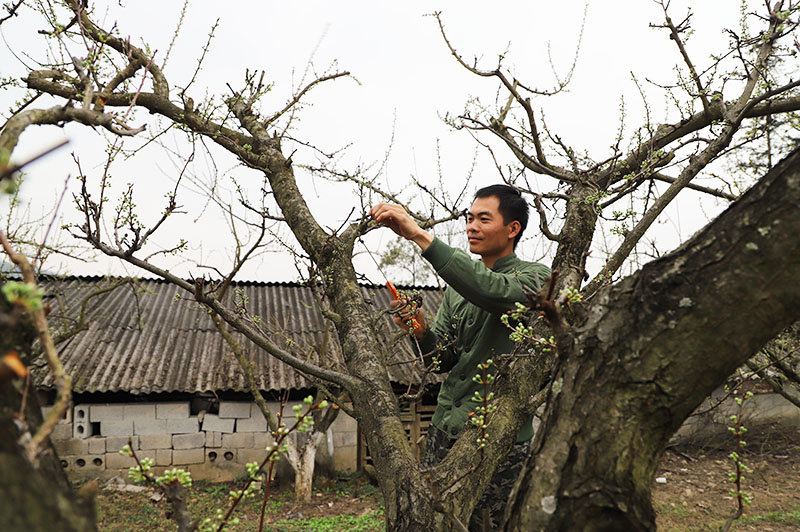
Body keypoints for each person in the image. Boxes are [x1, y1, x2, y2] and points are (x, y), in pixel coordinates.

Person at [370, 184, 550, 530]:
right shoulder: (456, 289)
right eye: (469, 219)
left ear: (513, 229)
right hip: (443, 428)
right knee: (435, 521)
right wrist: (420, 330)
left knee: (487, 525)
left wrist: (420, 236)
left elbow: (493, 291)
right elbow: (441, 361)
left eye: (484, 219)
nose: (471, 226)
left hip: (496, 436)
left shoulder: (535, 277)